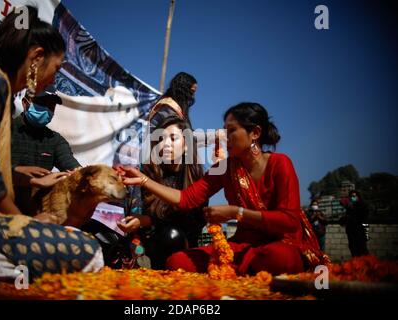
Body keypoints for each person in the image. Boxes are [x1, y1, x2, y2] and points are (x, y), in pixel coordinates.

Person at [0, 6, 104, 286]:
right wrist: (26, 223)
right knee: (89, 252)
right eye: (56, 68)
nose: (54, 78)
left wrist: (20, 176)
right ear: (36, 57)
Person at [117, 102, 329, 276]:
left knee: (279, 258)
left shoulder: (280, 164)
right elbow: (186, 199)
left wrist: (236, 213)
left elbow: (289, 221)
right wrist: (143, 180)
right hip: (243, 247)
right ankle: (245, 269)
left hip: (281, 243)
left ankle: (245, 269)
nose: (223, 136)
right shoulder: (225, 169)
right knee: (178, 261)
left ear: (255, 133)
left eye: (231, 131)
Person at [117, 117, 206, 269]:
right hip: (145, 245)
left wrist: (149, 220)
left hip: (181, 246)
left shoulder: (196, 177)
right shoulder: (145, 172)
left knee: (172, 235)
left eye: (173, 138)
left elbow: (194, 223)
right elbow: (135, 215)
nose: (165, 144)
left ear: (186, 146)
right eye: (160, 139)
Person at [12, 90, 81, 214]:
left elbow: (71, 165)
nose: (47, 109)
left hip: (35, 212)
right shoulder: (6, 130)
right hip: (1, 205)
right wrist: (18, 171)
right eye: (42, 103)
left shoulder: (55, 140)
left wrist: (84, 174)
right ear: (25, 103)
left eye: (51, 106)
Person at [340, 190, 369, 257]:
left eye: (354, 196)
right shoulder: (349, 207)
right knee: (353, 249)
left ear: (358, 197)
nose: (352, 198)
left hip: (360, 232)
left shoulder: (362, 206)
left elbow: (364, 219)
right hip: (351, 233)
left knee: (362, 249)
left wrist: (366, 234)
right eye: (351, 196)